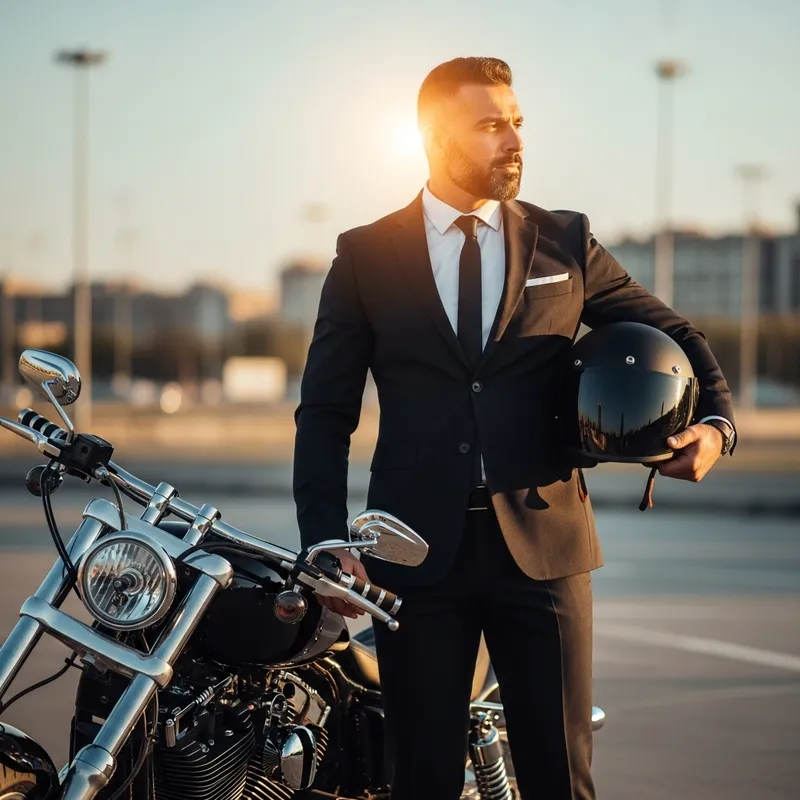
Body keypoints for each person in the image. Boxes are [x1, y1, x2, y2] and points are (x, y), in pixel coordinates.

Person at [292, 56, 735, 800]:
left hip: (548, 552)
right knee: (418, 779)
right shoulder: (365, 253)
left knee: (560, 778)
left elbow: (675, 331)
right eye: (491, 124)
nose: (513, 139)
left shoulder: (565, 239)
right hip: (413, 562)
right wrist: (326, 539)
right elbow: (326, 410)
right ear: (434, 135)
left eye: (518, 122)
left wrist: (717, 425)